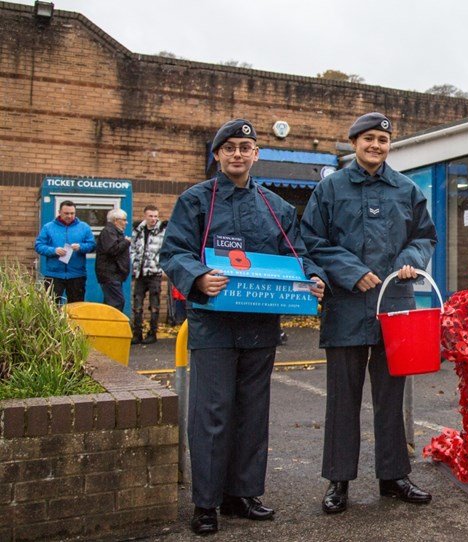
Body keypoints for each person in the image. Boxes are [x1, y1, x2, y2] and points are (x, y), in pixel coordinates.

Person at [159, 119, 326, 535]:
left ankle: (243, 494)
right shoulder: (195, 201)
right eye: (229, 147)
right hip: (212, 326)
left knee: (252, 413)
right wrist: (198, 276)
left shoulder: (277, 207)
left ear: (256, 155)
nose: (237, 153)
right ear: (217, 154)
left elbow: (298, 254)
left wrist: (313, 277)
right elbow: (174, 252)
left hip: (260, 325)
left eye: (245, 147)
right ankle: (206, 503)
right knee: (212, 413)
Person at [301, 112, 437, 514]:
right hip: (345, 306)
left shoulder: (407, 189)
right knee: (342, 399)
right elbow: (311, 240)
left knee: (390, 398)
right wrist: (351, 271)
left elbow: (424, 236)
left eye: (383, 139)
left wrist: (412, 260)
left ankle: (393, 477)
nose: (376, 145)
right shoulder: (330, 189)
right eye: (369, 139)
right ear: (354, 143)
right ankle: (338, 480)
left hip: (394, 307)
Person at [34, 200, 96, 304]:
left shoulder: (84, 227)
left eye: (72, 213)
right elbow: (39, 246)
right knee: (51, 306)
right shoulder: (48, 227)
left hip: (77, 275)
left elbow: (92, 245)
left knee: (76, 307)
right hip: (54, 274)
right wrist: (54, 250)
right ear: (59, 212)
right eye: (66, 213)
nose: (69, 216)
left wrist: (80, 247)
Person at [130, 205, 168, 344]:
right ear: (145, 216)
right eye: (151, 216)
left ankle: (152, 333)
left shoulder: (162, 231)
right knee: (137, 305)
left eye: (156, 216)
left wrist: (160, 265)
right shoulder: (138, 230)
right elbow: (132, 248)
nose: (153, 219)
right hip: (140, 273)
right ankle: (137, 334)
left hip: (154, 273)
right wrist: (134, 262)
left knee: (154, 305)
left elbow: (166, 250)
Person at [94, 208, 130, 312]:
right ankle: (114, 322)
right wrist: (126, 242)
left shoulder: (115, 232)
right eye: (124, 220)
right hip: (110, 274)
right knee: (117, 302)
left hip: (115, 274)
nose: (126, 222)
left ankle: (106, 322)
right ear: (116, 220)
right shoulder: (108, 232)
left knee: (110, 304)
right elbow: (112, 250)